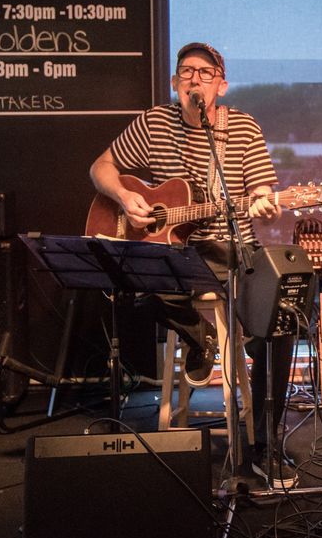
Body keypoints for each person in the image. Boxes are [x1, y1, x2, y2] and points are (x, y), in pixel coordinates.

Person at [89, 42, 297, 488]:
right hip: (172, 255)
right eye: (186, 71)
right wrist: (125, 197)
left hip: (232, 249)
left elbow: (262, 190)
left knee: (280, 319)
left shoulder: (241, 127)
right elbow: (100, 167)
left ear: (221, 83)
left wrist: (266, 204)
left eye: (206, 72)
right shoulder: (154, 123)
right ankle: (197, 333)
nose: (195, 79)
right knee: (131, 277)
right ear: (174, 83)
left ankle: (265, 446)